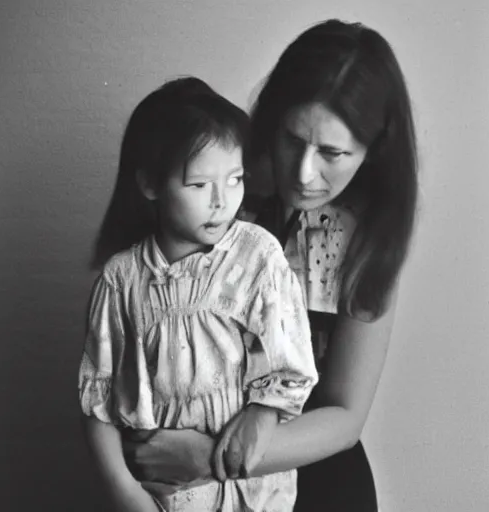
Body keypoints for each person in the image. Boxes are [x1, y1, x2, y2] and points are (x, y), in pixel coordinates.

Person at [122, 18, 418, 512]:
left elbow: (345, 415)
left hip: (312, 477)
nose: (304, 173)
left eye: (332, 153)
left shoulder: (370, 235)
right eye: (291, 140)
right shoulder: (216, 186)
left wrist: (212, 457)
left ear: (374, 150)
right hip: (179, 477)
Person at [78, 76, 318, 512]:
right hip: (162, 497)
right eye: (198, 185)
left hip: (253, 496)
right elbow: (97, 400)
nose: (221, 201)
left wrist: (262, 414)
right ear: (151, 184)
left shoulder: (257, 258)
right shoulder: (121, 280)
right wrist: (123, 491)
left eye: (235, 179)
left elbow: (292, 365)